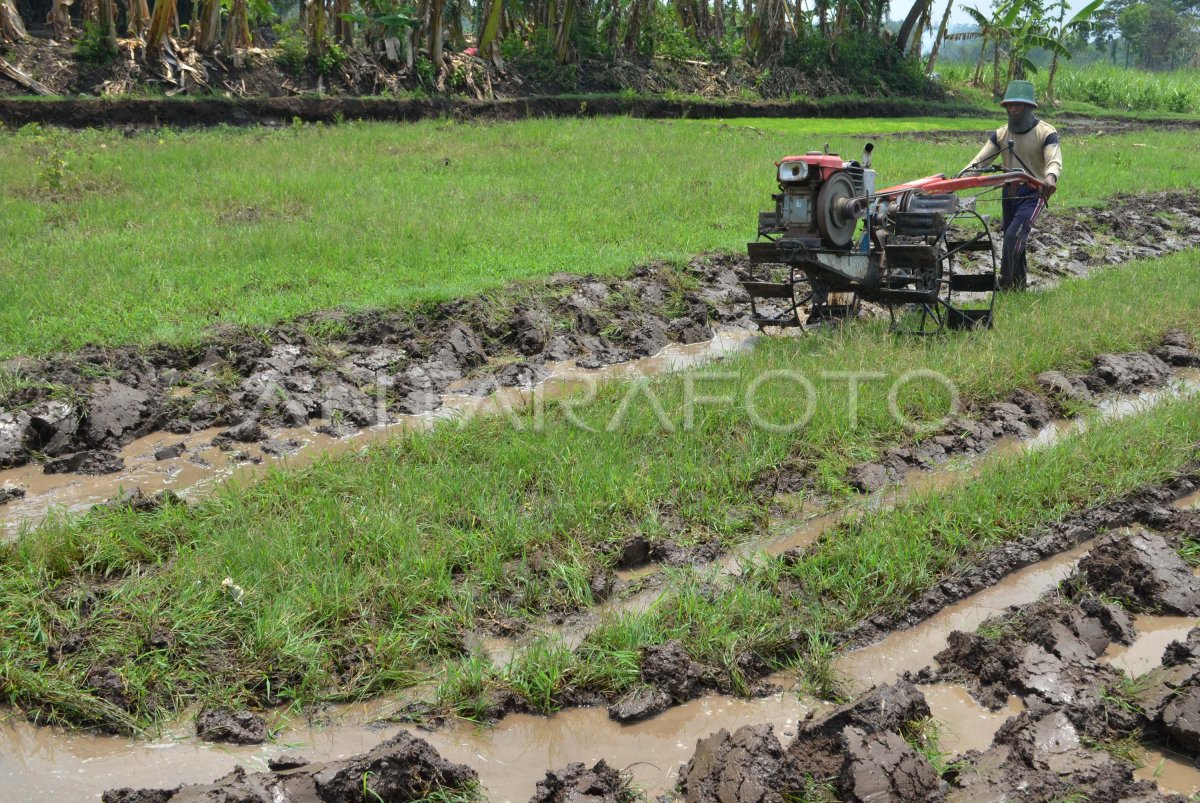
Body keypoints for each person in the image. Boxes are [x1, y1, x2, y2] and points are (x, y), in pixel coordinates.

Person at [963, 80, 1062, 290]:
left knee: (1012, 237)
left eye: (1018, 105)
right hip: (1009, 193)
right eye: (1010, 105)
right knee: (1016, 241)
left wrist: (1050, 178)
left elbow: (1054, 160)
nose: (1013, 109)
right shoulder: (1001, 134)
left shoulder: (1045, 132)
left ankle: (1005, 283)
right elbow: (980, 161)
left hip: (1034, 193)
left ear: (1029, 107)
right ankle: (1019, 286)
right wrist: (961, 177)